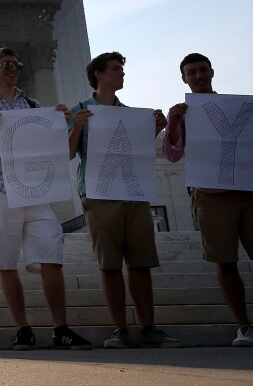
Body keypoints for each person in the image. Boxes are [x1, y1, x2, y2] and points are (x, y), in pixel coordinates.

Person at [162, 52, 253, 347]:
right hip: (211, 196)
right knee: (225, 261)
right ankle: (243, 326)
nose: (198, 76)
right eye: (191, 72)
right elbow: (172, 154)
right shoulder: (183, 113)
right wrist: (173, 123)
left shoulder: (239, 108)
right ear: (184, 79)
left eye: (202, 70)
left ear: (212, 72)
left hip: (250, 191)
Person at [0, 47, 92, 350]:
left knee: (52, 256)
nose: (14, 69)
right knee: (6, 262)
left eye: (17, 65)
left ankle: (61, 328)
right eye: (8, 65)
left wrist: (72, 127)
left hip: (35, 192)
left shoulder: (34, 105)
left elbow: (62, 155)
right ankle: (23, 328)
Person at [68, 52, 183, 349]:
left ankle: (148, 327)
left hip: (133, 193)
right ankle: (119, 328)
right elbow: (67, 153)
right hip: (99, 195)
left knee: (141, 263)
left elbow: (139, 153)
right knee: (109, 264)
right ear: (98, 74)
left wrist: (154, 129)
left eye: (122, 69)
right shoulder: (80, 110)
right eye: (116, 69)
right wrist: (77, 127)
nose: (122, 74)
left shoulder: (130, 114)